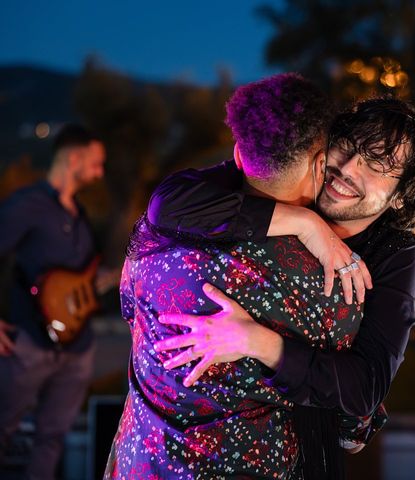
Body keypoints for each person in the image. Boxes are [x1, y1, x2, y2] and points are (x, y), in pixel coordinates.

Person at [105, 73, 386, 480]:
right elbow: (351, 417)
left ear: (238, 154)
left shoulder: (156, 237)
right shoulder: (329, 283)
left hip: (142, 465)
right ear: (320, 163)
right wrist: (306, 223)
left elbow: (129, 307)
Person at [149, 95, 415, 424]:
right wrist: (304, 223)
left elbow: (366, 387)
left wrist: (258, 342)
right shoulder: (291, 179)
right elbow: (168, 204)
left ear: (401, 197)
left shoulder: (393, 251)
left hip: (302, 443)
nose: (346, 170)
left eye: (377, 165)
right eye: (348, 146)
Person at [0, 124, 106, 479]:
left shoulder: (79, 214)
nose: (100, 172)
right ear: (73, 158)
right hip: (28, 342)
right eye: (96, 162)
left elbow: (86, 277)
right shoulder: (27, 205)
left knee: (53, 438)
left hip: (78, 348)